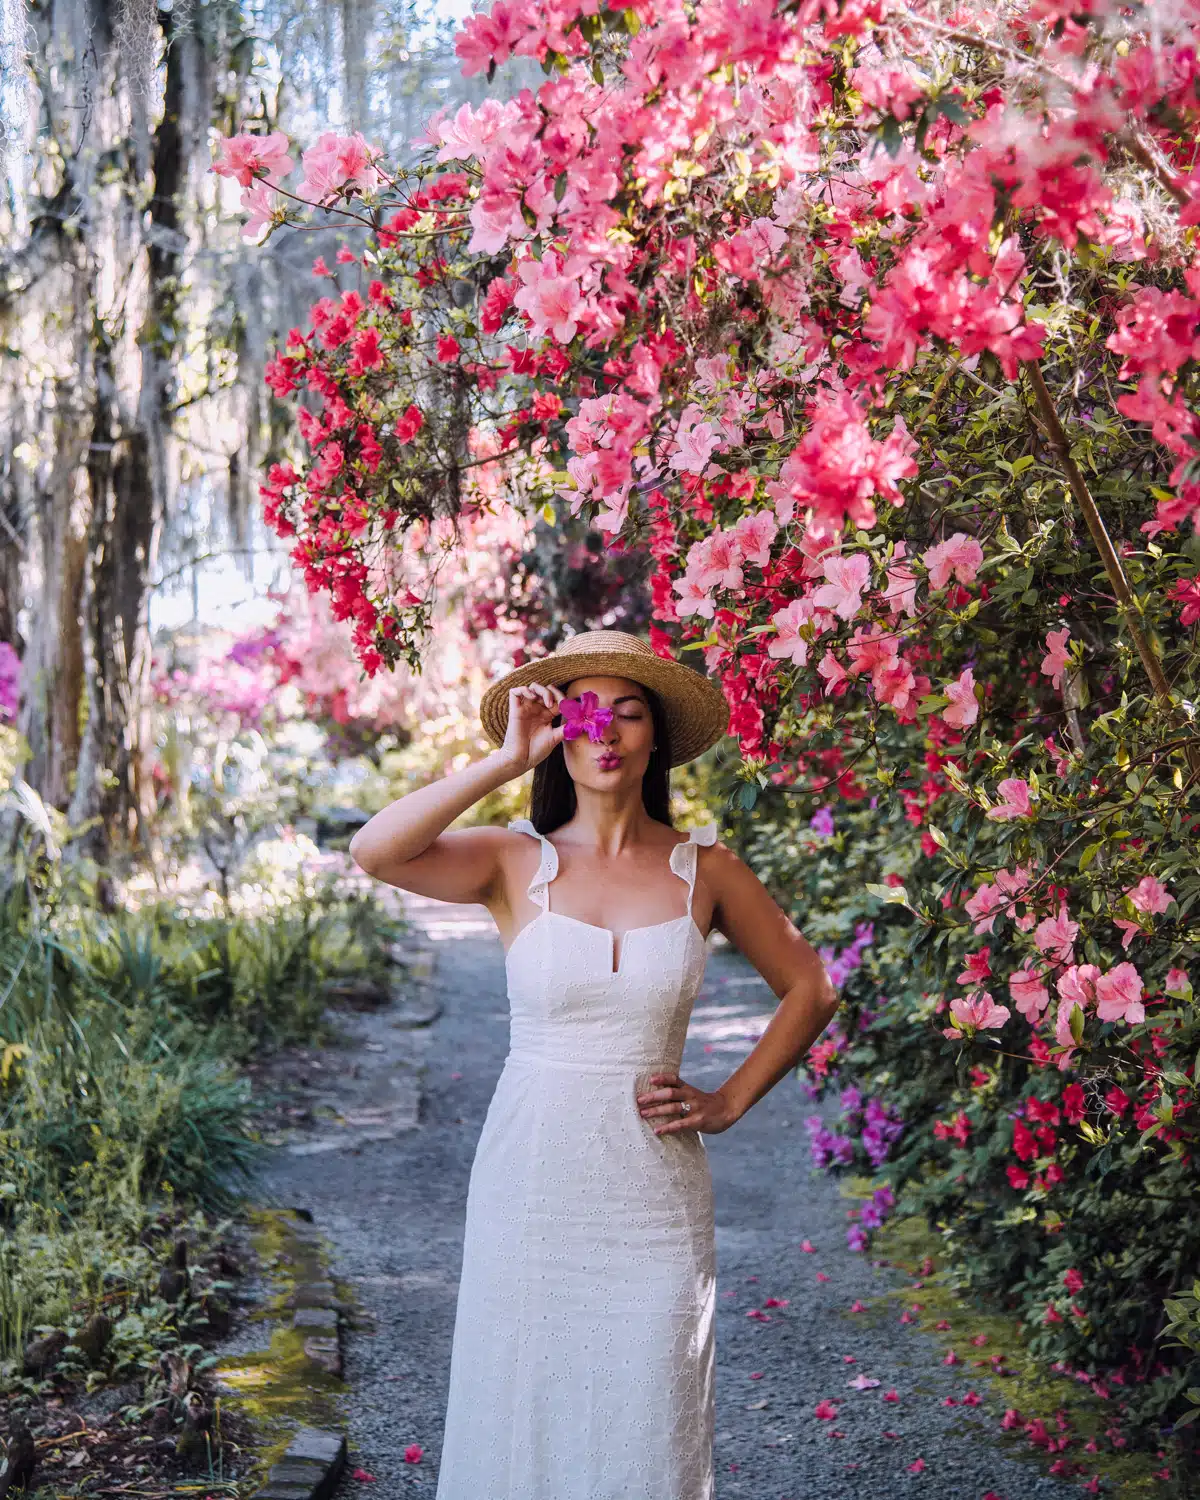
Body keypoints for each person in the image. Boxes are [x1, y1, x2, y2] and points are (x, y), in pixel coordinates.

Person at [349, 628, 840, 1500]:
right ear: (560, 736)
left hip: (654, 1193)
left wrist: (727, 1102)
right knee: (523, 1400)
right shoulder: (512, 861)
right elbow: (375, 851)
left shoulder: (709, 868)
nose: (606, 733)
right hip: (533, 1183)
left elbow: (810, 987)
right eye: (583, 715)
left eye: (628, 714)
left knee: (651, 1409)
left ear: (655, 736)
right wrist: (505, 761)